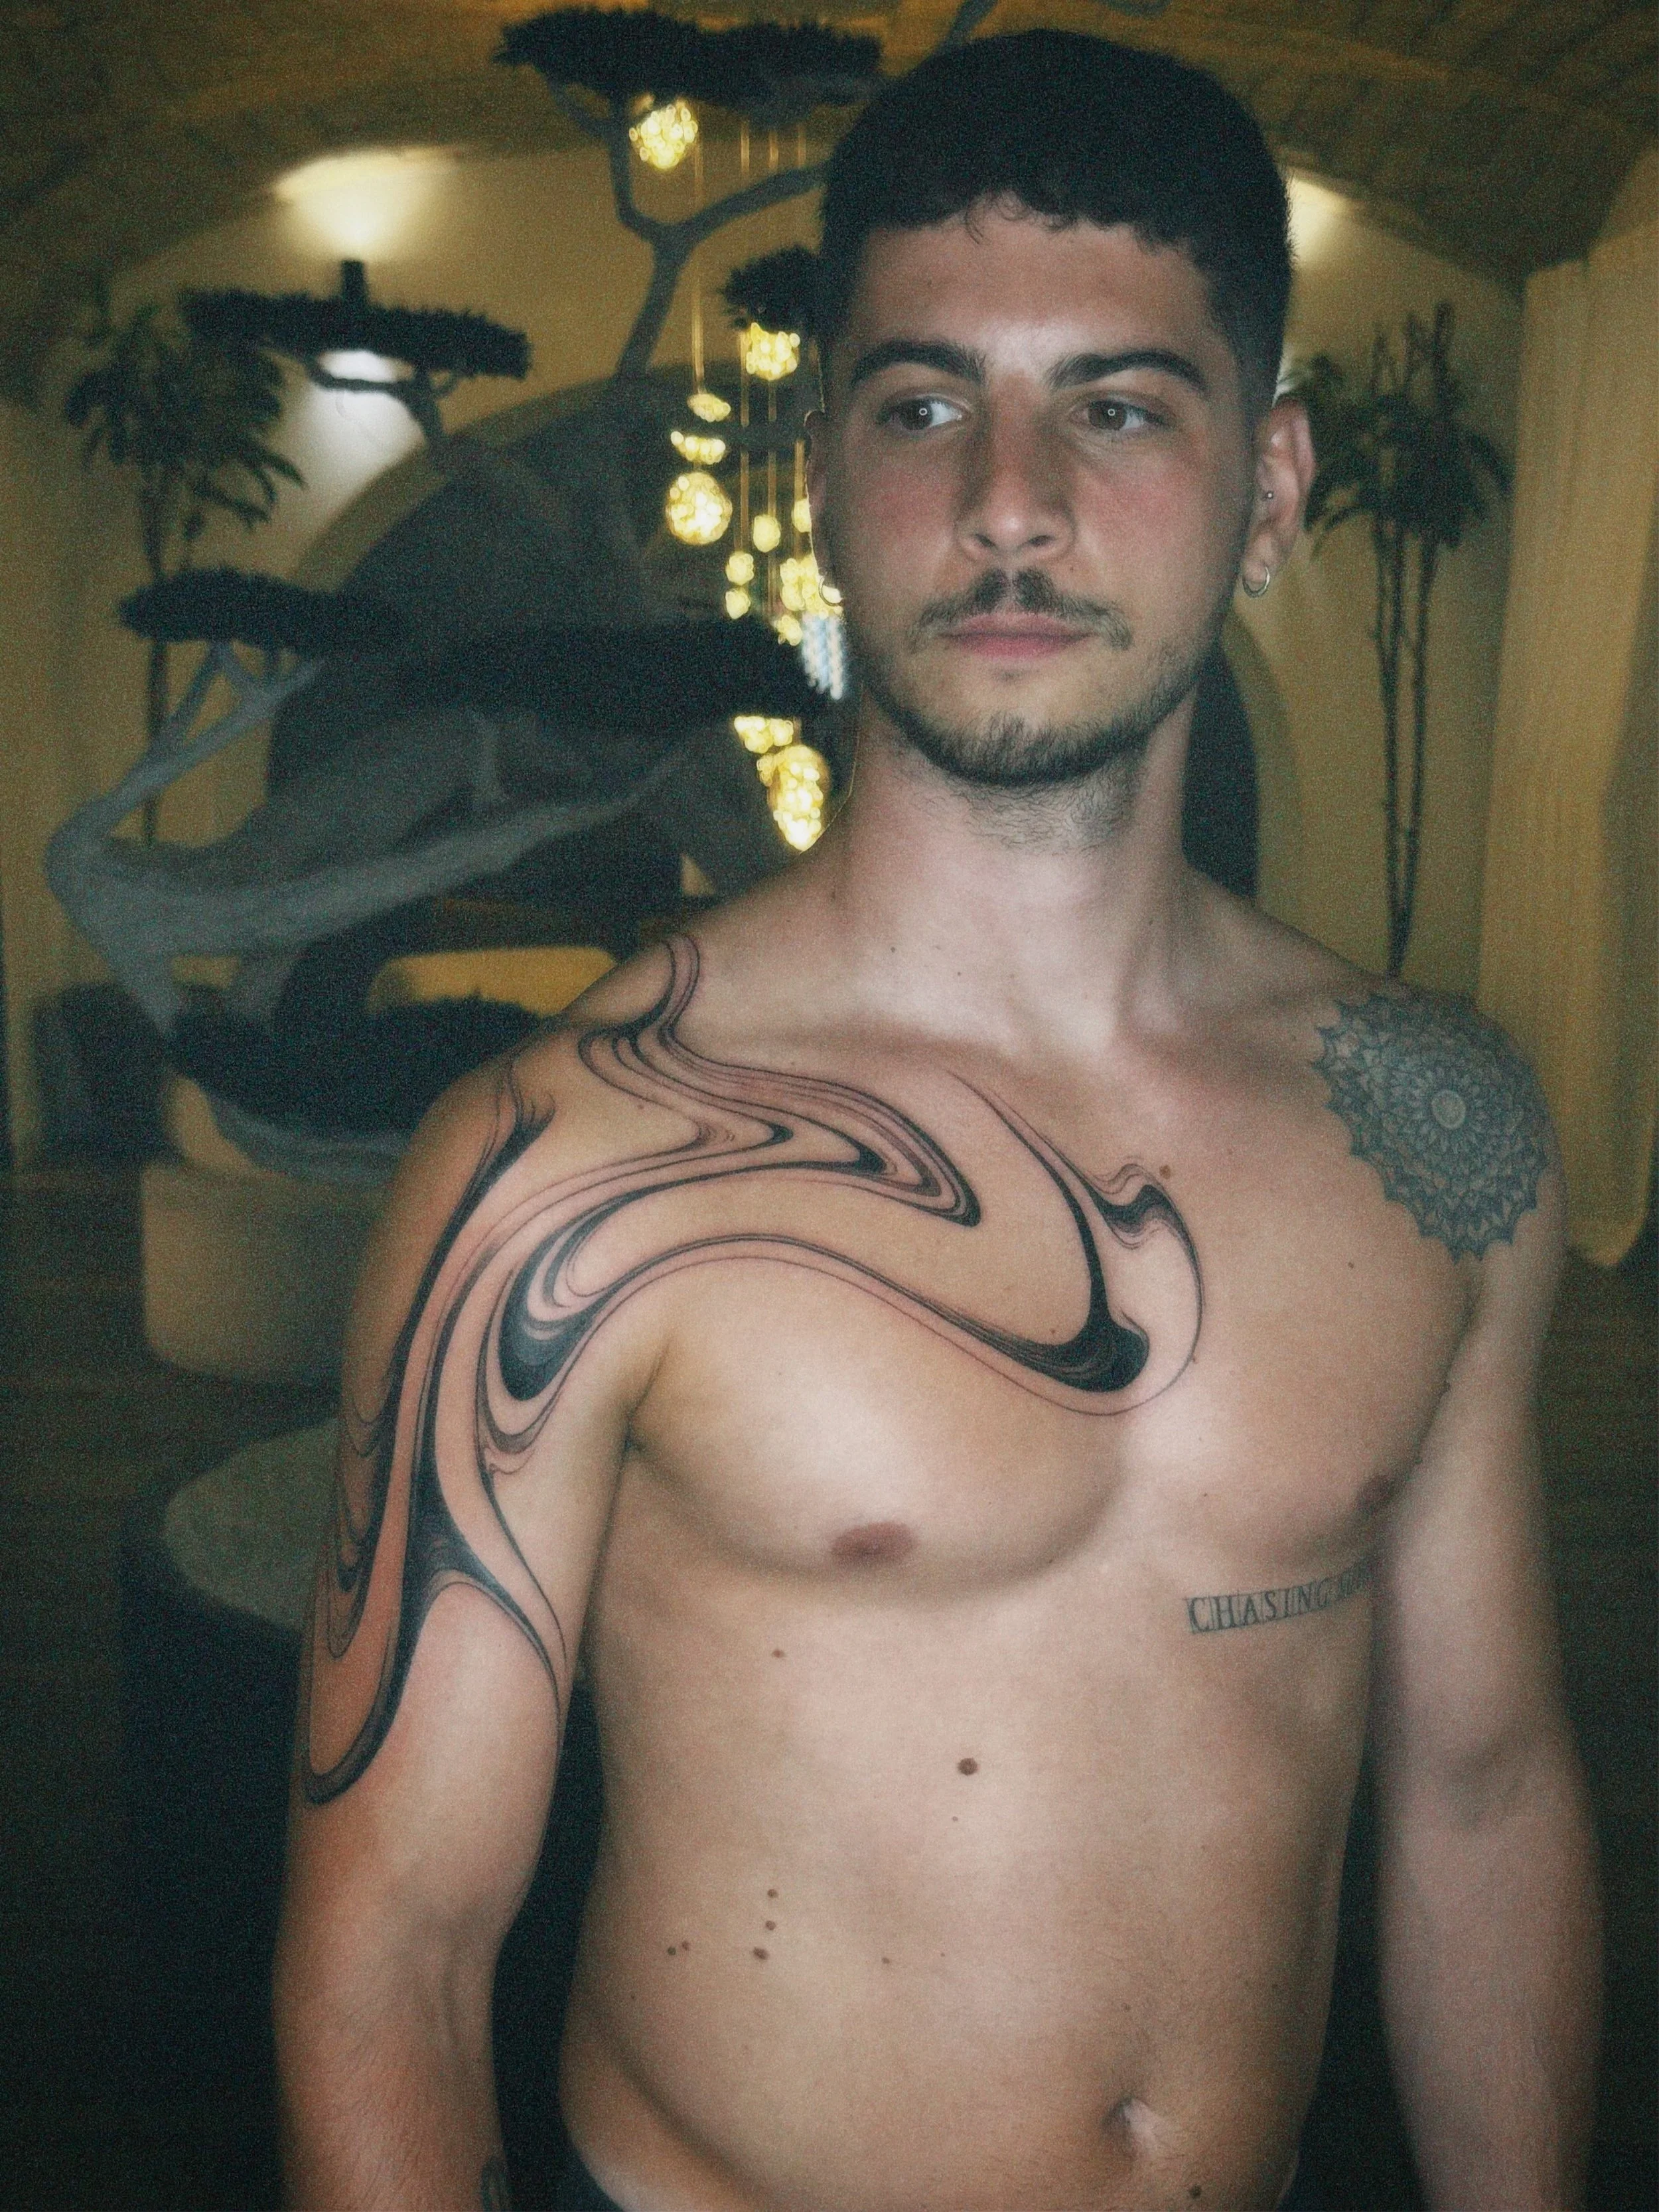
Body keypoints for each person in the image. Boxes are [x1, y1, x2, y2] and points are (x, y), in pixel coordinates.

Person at [273, 31, 1600, 2211]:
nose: (1008, 498)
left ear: (1267, 489)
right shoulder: (572, 1167)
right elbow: (390, 1954)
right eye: (920, 405)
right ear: (822, 480)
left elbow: (1477, 1792)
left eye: (1115, 406)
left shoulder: (1426, 1132)